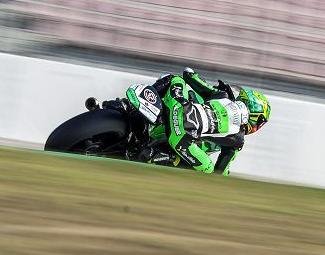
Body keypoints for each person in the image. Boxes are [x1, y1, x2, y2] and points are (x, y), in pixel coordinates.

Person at [106, 67, 271, 176]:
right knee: (207, 169)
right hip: (181, 138)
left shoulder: (222, 95)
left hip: (177, 106)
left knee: (174, 79)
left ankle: (127, 105)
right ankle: (150, 156)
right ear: (254, 119)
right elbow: (220, 173)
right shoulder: (237, 140)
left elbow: (189, 77)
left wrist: (192, 75)